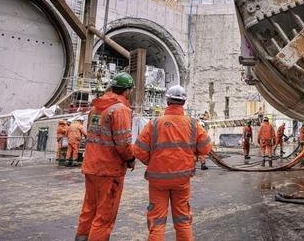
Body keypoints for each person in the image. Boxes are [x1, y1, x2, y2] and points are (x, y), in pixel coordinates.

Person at [133, 85, 213, 241]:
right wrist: (193, 155)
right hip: (182, 180)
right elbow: (206, 147)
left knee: (157, 221)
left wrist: (153, 162)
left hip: (158, 179)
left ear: (167, 100)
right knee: (183, 220)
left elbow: (138, 150)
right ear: (183, 102)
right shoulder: (192, 124)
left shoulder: (154, 123)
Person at [75, 72, 137, 241]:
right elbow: (123, 142)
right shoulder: (121, 110)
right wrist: (131, 158)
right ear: (127, 91)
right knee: (104, 216)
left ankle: (81, 238)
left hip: (91, 166)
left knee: (89, 209)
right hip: (109, 170)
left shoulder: (95, 108)